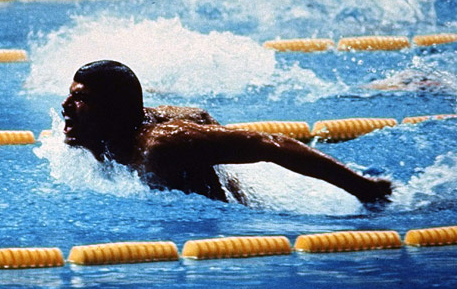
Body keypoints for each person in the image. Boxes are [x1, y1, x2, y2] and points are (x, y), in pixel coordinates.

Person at [62, 60, 392, 204]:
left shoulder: (161, 146)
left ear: (113, 111)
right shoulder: (114, 132)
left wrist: (362, 189)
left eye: (81, 99)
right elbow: (197, 115)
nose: (65, 106)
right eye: (70, 95)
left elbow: (269, 144)